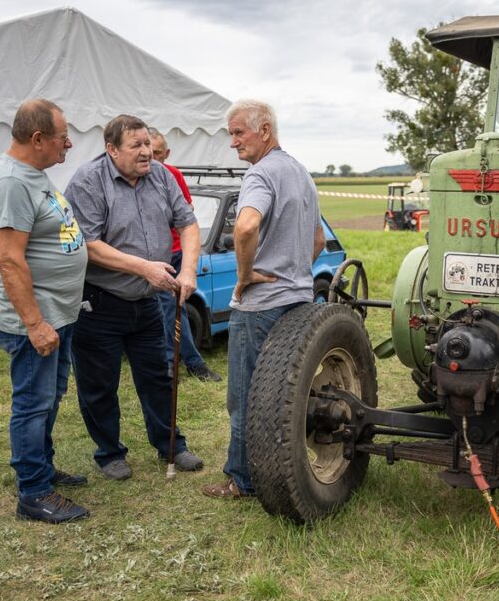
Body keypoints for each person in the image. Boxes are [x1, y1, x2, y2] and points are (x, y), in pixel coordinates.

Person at [64, 115, 203, 480]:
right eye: (136, 146)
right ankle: (110, 453)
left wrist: (187, 270)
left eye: (147, 144)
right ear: (111, 149)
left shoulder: (161, 175)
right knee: (99, 383)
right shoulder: (88, 181)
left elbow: (188, 223)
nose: (146, 152)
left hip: (147, 300)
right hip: (99, 300)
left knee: (158, 376)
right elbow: (88, 245)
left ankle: (171, 444)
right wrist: (144, 267)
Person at [203, 100, 325, 499]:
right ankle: (278, 470)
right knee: (283, 396)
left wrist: (245, 276)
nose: (233, 142)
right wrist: (294, 274)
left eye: (239, 133)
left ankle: (242, 479)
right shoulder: (301, 173)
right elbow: (319, 241)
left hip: (259, 307)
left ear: (265, 131)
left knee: (245, 397)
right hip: (299, 301)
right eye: (231, 134)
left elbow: (245, 227)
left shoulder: (260, 174)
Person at [0, 99, 90, 523]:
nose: (69, 143)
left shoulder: (34, 176)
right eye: (64, 136)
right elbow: (9, 260)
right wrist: (35, 324)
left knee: (49, 398)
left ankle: (40, 467)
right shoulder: (10, 183)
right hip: (34, 322)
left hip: (56, 314)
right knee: (32, 403)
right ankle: (33, 492)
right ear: (38, 138)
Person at [148, 127, 222, 383]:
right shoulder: (135, 177)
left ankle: (176, 363)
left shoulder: (172, 175)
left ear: (166, 154)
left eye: (158, 153)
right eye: (149, 152)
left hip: (176, 252)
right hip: (153, 257)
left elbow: (186, 213)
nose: (153, 158)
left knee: (173, 310)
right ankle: (185, 363)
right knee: (167, 311)